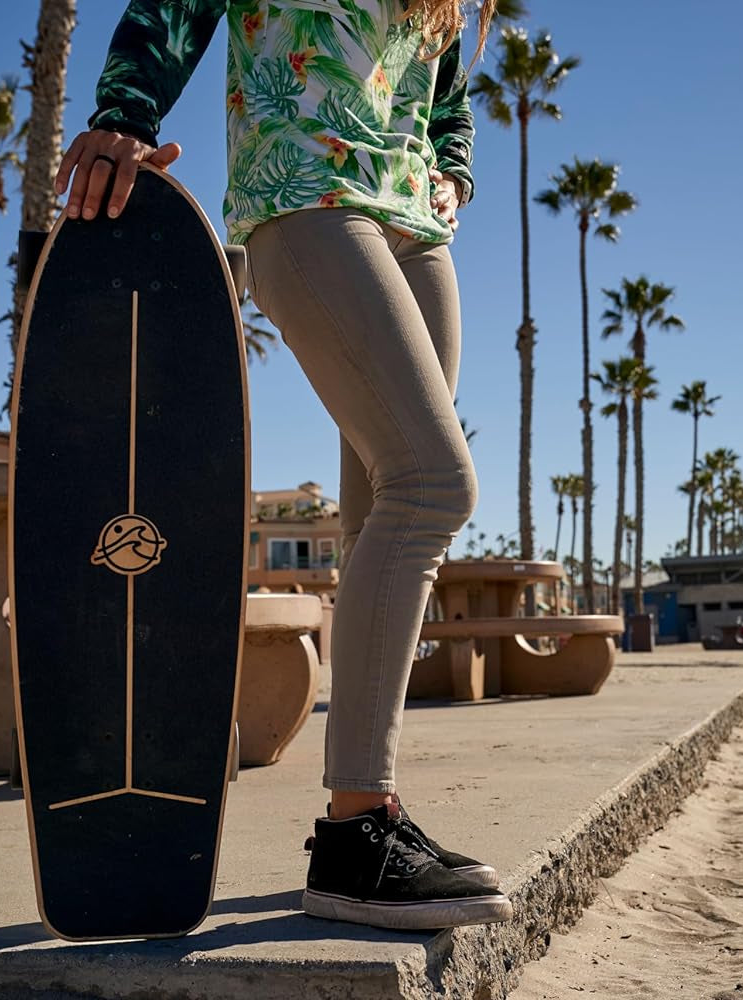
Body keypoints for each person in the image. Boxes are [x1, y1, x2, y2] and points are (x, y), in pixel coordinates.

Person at [56, 0, 508, 931]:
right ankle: (356, 834)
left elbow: (446, 86)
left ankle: (366, 818)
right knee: (434, 483)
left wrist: (453, 167)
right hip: (306, 192)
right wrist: (124, 116)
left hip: (415, 227)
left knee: (381, 508)